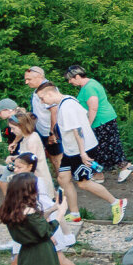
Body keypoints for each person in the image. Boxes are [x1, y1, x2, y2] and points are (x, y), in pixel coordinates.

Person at [37, 82, 123, 225]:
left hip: (82, 150)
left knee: (83, 183)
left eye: (42, 98)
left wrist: (83, 153)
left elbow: (78, 130)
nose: (42, 101)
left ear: (50, 93)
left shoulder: (67, 106)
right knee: (63, 178)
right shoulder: (66, 101)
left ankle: (116, 202)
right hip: (70, 150)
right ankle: (75, 214)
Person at [67, 65, 126, 179]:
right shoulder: (89, 85)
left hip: (102, 122)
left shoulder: (89, 88)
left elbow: (93, 108)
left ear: (77, 76)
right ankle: (99, 174)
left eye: (70, 79)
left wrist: (87, 126)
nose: (69, 82)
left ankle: (125, 167)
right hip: (101, 121)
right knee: (101, 149)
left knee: (108, 148)